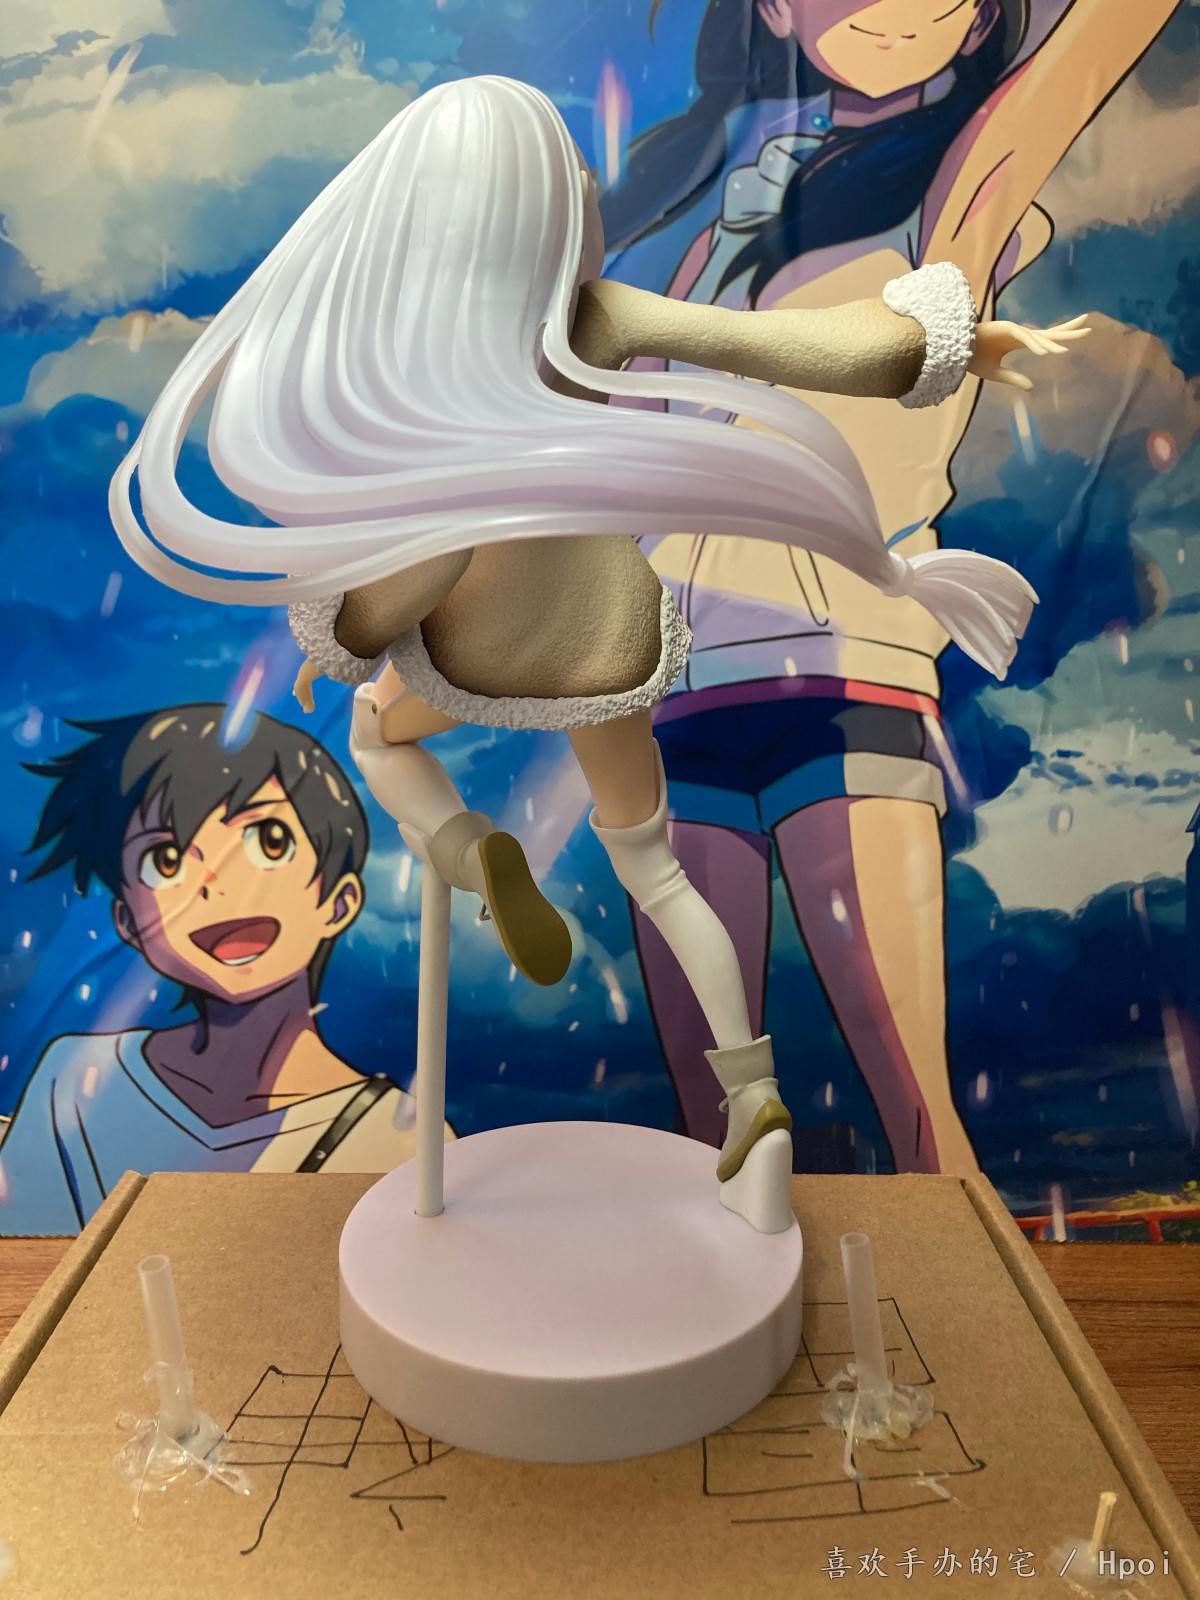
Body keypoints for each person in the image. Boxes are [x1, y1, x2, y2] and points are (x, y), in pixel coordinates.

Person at [108, 75, 1081, 1230]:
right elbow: (791, 345)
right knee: (659, 875)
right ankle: (753, 1090)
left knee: (376, 738)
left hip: (472, 659)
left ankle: (473, 852)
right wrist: (948, 340)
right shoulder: (596, 318)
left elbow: (402, 582)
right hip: (610, 654)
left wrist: (349, 641)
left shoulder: (415, 373)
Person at [599, 0, 1179, 1175]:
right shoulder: (716, 210)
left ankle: (966, 1298)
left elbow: (1099, 39)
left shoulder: (953, 191)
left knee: (914, 1106)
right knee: (710, 1134)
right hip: (671, 692)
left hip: (842, 667)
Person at [0, 706, 452, 1234]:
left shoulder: (402, 1136)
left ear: (338, 900)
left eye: (269, 842)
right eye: (166, 861)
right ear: (128, 922)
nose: (220, 885)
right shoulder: (72, 1083)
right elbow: (26, 1264)